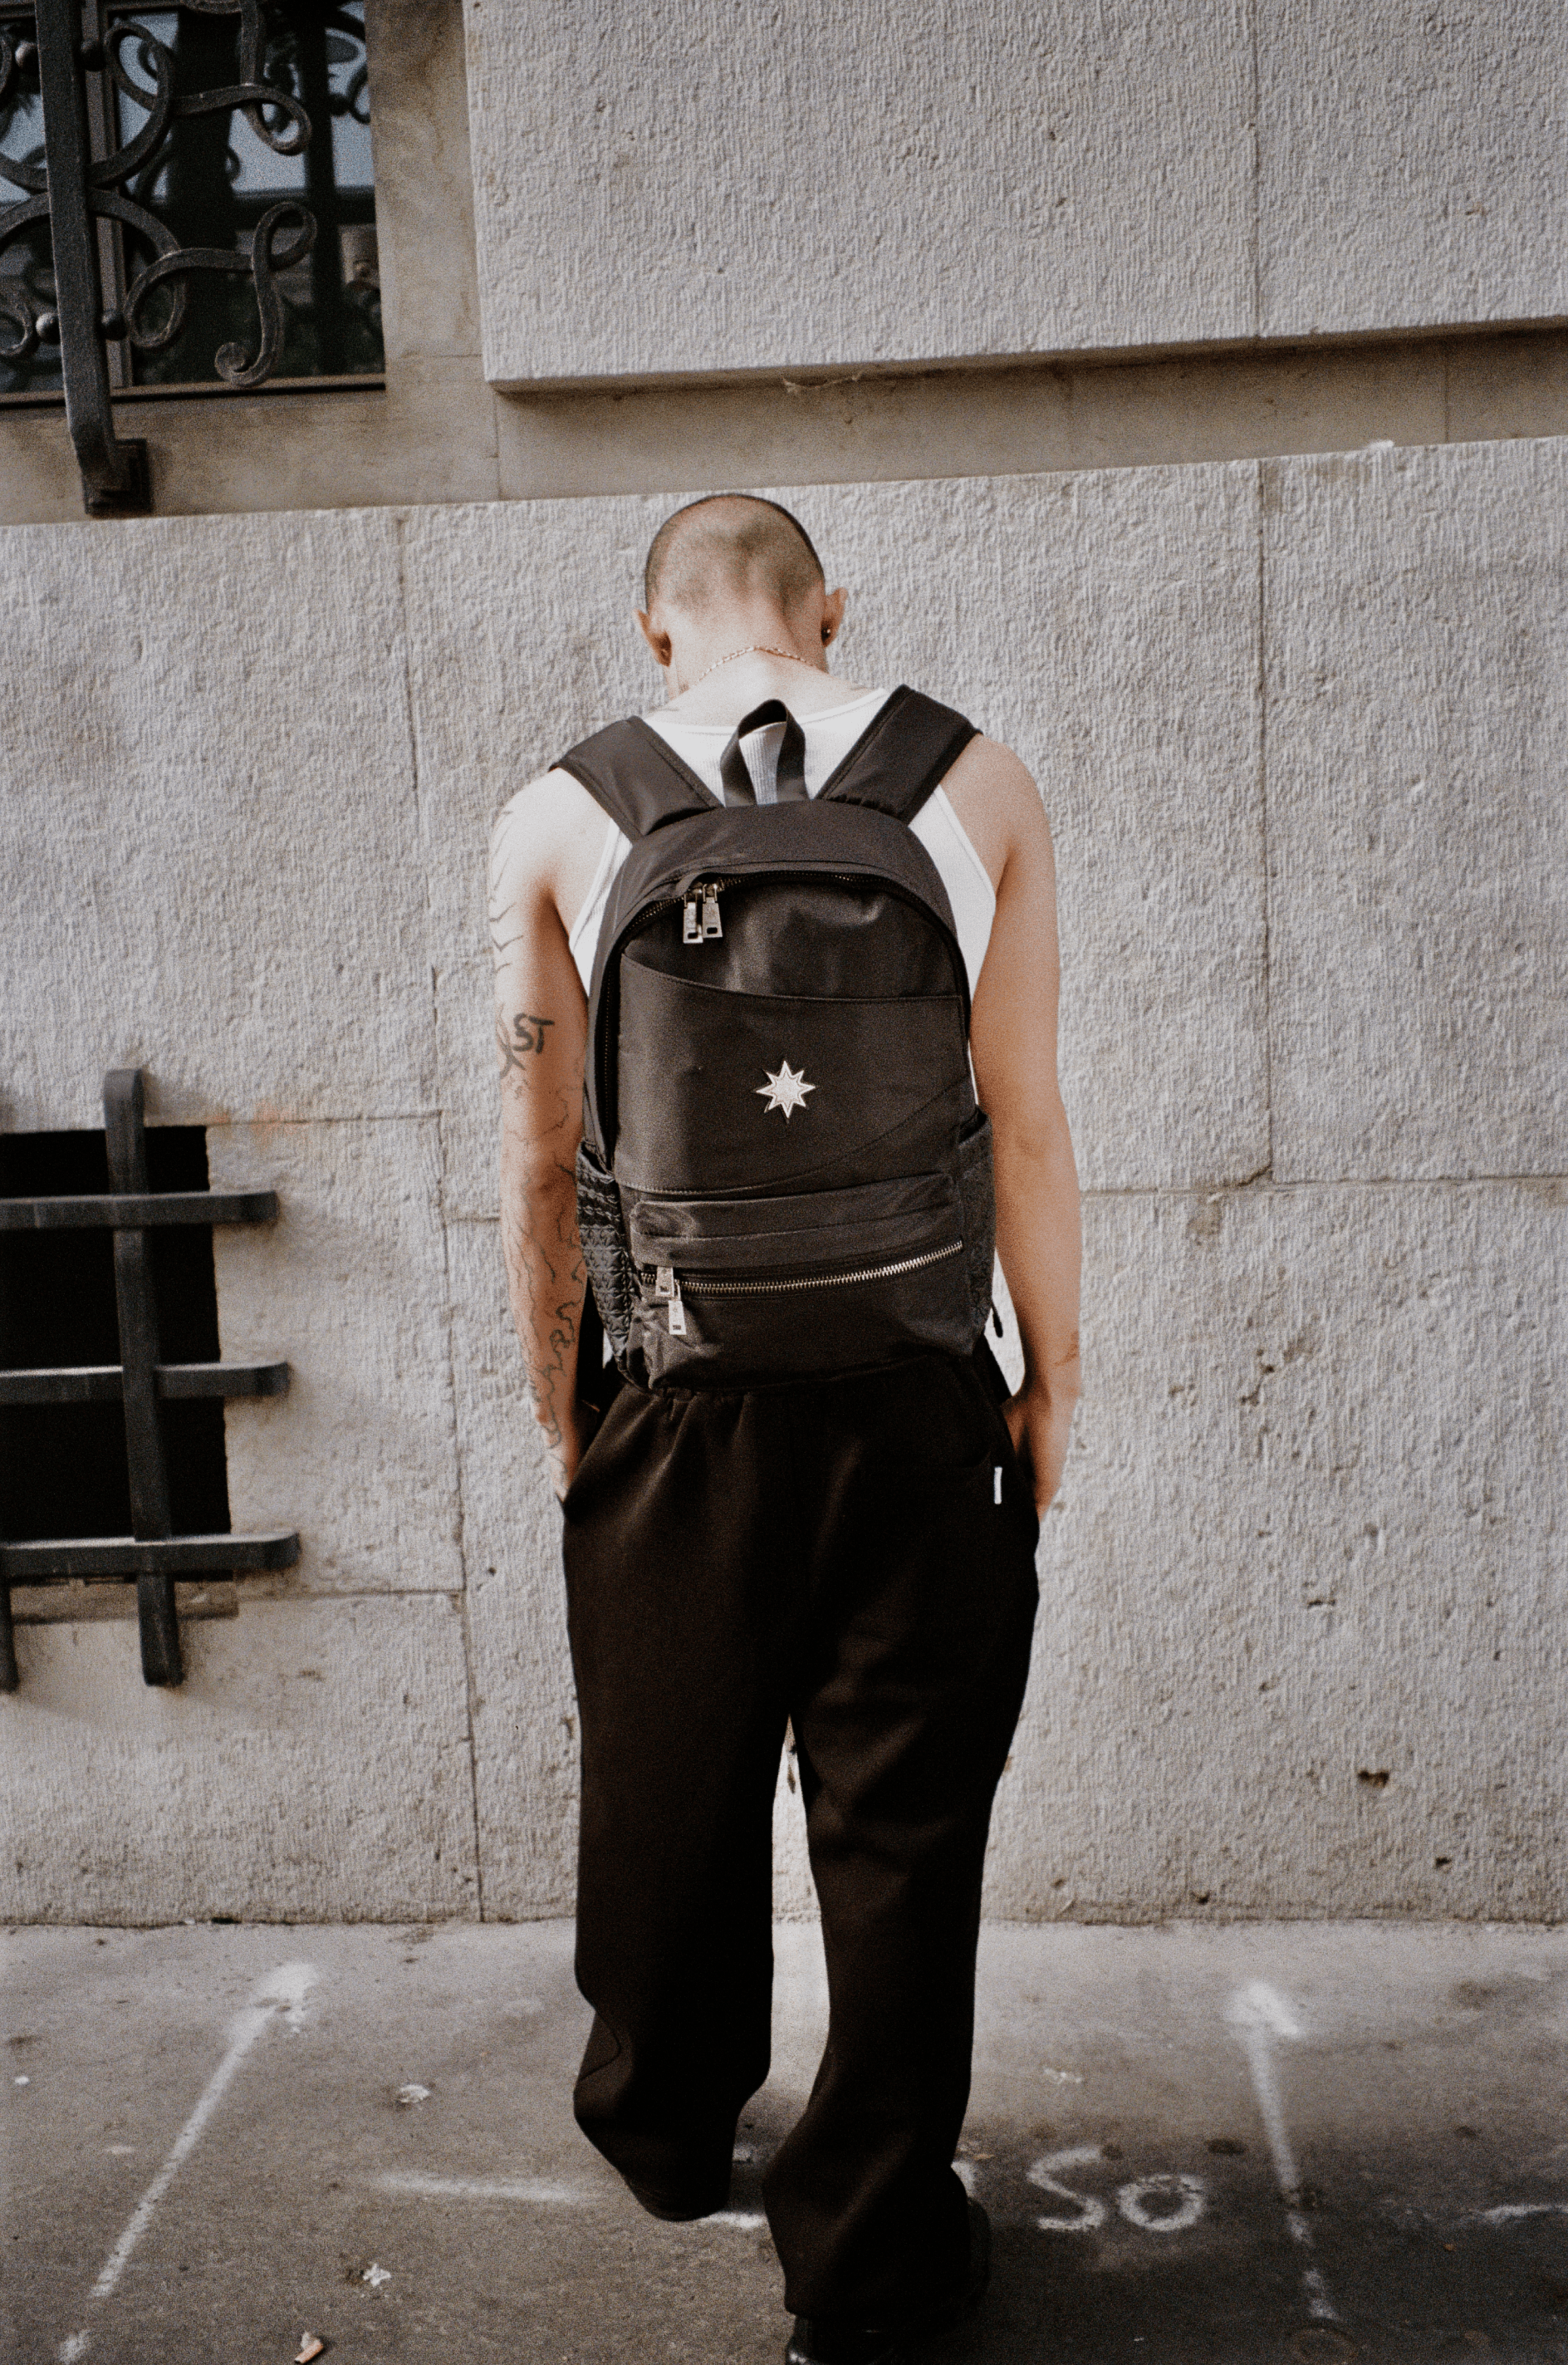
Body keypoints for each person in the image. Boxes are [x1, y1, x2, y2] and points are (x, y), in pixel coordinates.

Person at [488, 493, 1081, 2365]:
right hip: (919, 1394)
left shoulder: (562, 809)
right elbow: (1028, 1118)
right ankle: (873, 2256)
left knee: (663, 1780)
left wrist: (559, 1401)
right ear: (831, 610)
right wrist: (1049, 1377)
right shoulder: (974, 783)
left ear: (654, 629)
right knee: (902, 1833)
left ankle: (664, 2121)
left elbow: (531, 1146)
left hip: (675, 1396)